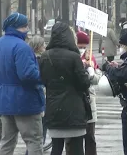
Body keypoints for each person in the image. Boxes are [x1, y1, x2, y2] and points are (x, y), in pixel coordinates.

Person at [0, 12, 45, 155]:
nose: (27, 29)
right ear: (17, 28)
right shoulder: (22, 47)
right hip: (24, 100)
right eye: (25, 26)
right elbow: (28, 75)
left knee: (7, 141)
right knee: (34, 141)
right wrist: (44, 77)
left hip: (4, 99)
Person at [39, 22, 91, 155]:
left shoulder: (45, 56)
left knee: (56, 148)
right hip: (74, 109)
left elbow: (43, 80)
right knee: (77, 147)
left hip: (54, 108)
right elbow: (84, 83)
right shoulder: (74, 57)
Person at [66, 31, 102, 155]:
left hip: (89, 102)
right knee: (71, 138)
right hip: (73, 102)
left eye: (83, 47)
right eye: (79, 46)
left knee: (90, 137)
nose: (82, 49)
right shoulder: (70, 57)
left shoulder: (90, 57)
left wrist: (92, 72)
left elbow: (97, 79)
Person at [25, 35, 47, 155]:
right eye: (43, 45)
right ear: (38, 47)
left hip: (32, 99)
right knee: (38, 135)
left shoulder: (29, 59)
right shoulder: (40, 60)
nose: (45, 47)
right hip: (39, 98)